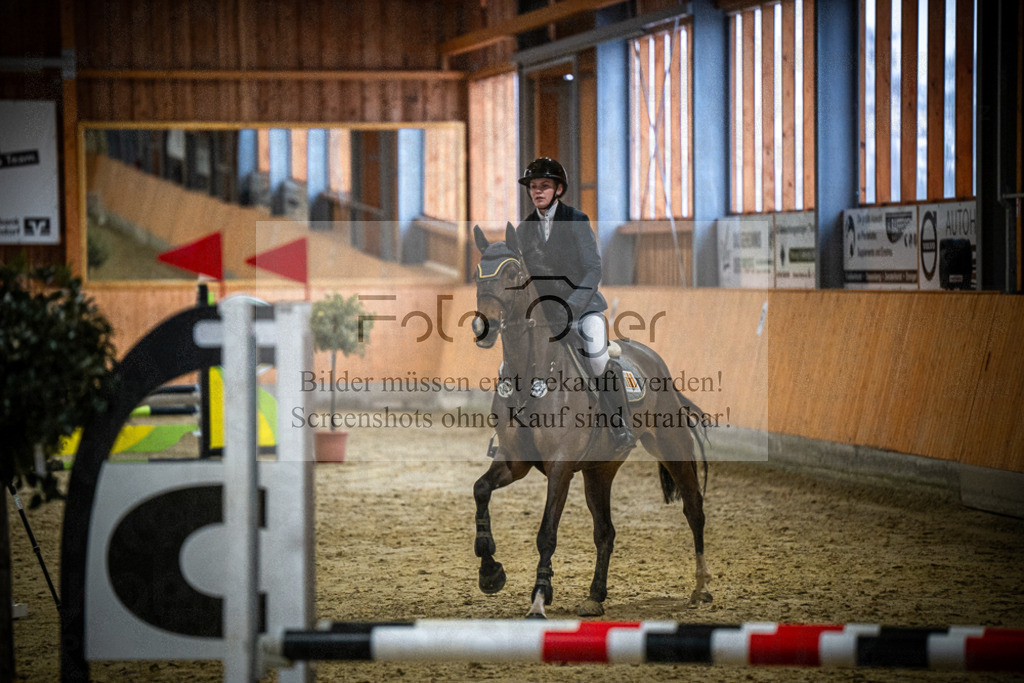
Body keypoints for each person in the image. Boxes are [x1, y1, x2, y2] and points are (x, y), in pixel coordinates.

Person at [514, 157, 635, 454]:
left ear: (558, 189)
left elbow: (593, 269)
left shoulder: (576, 220)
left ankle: (618, 422)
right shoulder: (524, 229)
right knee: (515, 361)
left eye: (544, 186)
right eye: (533, 187)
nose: (537, 192)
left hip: (582, 308)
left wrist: (571, 306)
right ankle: (512, 429)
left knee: (596, 359)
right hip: (543, 316)